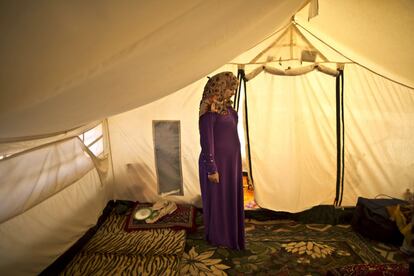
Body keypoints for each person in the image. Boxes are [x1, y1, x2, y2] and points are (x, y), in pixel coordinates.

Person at [198, 71, 245, 250]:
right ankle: (220, 238)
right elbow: (206, 139)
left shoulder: (227, 107)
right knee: (219, 201)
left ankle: (231, 233)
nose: (233, 91)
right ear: (221, 86)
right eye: (231, 88)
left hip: (231, 163)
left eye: (234, 88)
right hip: (217, 163)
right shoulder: (208, 107)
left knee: (230, 198)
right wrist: (211, 167)